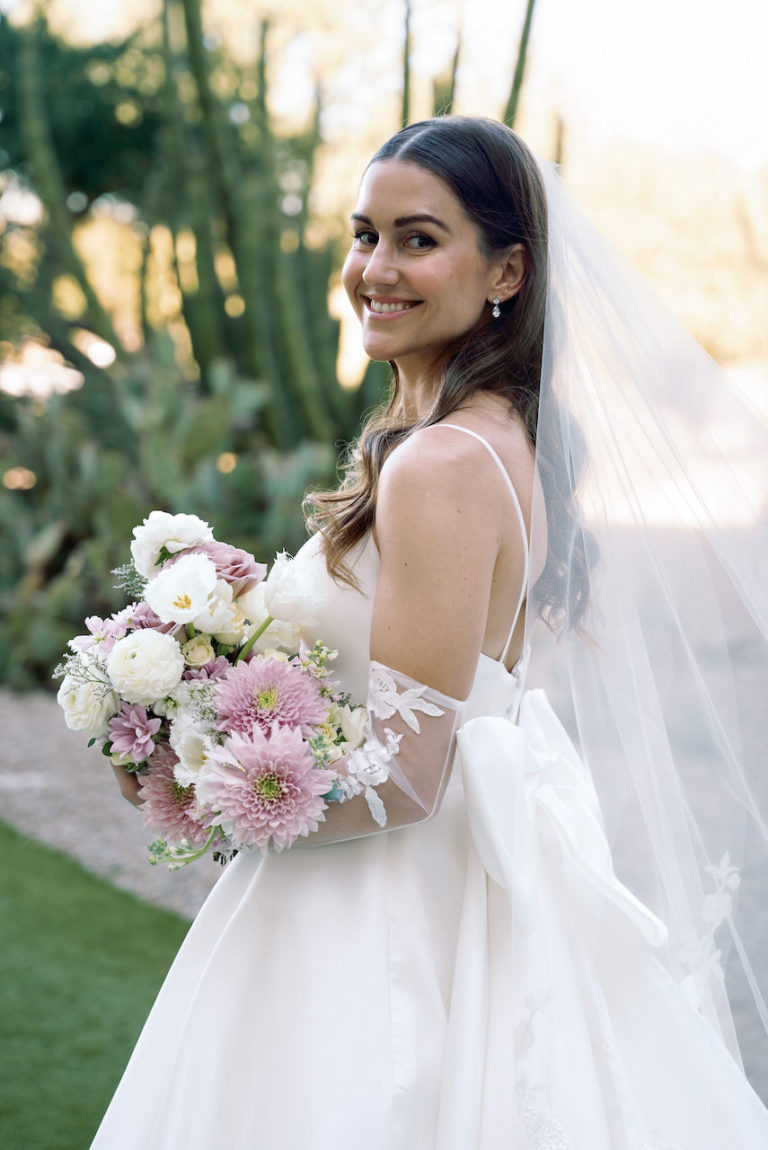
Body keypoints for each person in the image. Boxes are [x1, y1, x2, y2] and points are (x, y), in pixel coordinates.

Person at [94, 117, 768, 1148]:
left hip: (386, 905)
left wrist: (209, 785)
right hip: (433, 872)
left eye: (419, 239)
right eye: (366, 235)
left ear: (507, 271)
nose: (376, 269)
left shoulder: (442, 464)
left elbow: (406, 775)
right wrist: (208, 700)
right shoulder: (476, 436)